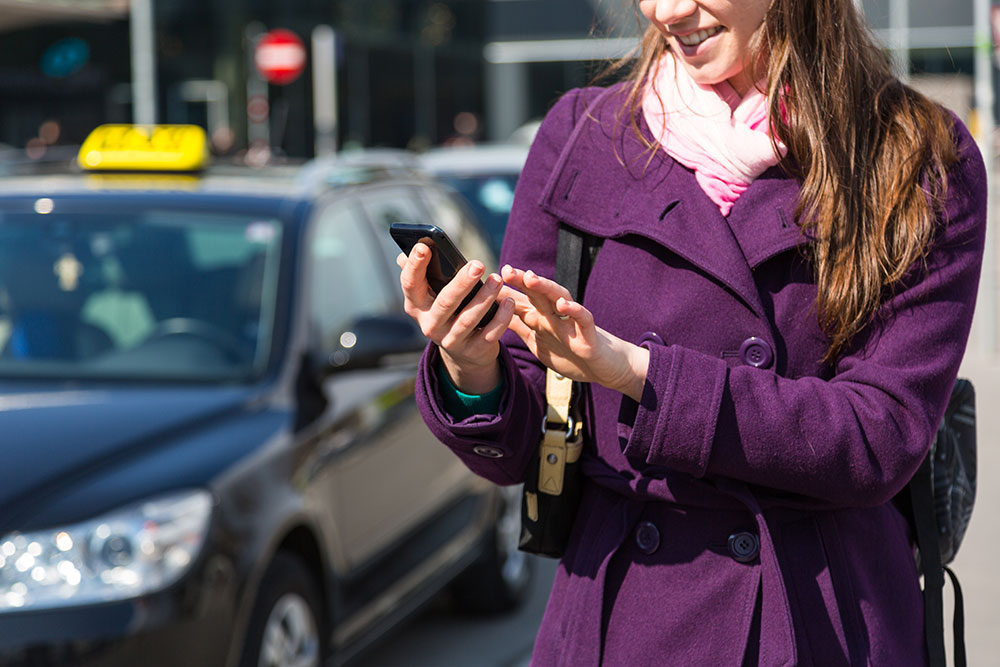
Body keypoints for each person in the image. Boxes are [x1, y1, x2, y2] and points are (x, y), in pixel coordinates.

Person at [397, 0, 987, 664]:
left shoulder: (916, 155)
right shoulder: (583, 134)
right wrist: (470, 365)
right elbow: (522, 441)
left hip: (817, 615)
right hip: (618, 617)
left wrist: (639, 374)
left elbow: (879, 434)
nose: (668, 10)